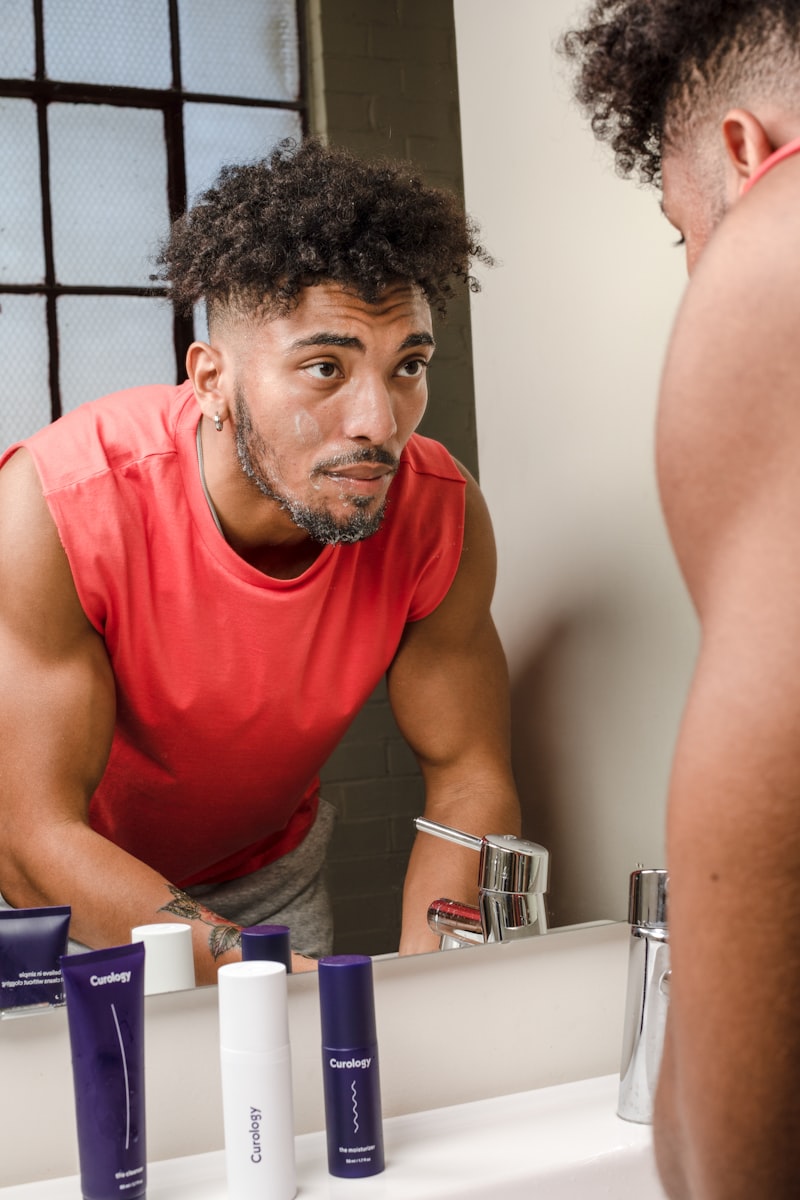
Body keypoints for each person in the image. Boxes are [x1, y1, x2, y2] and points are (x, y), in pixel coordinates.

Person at [0, 138, 520, 985]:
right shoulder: (59, 504)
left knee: (308, 1110)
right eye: (325, 367)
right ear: (210, 382)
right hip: (53, 887)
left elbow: (468, 776)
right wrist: (292, 982)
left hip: (262, 878)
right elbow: (31, 840)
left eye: (408, 367)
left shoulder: (437, 513)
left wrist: (438, 980)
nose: (379, 422)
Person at [560, 2, 800, 1196]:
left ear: (745, 152)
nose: (696, 271)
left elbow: (774, 837)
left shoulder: (775, 247)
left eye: (678, 232)